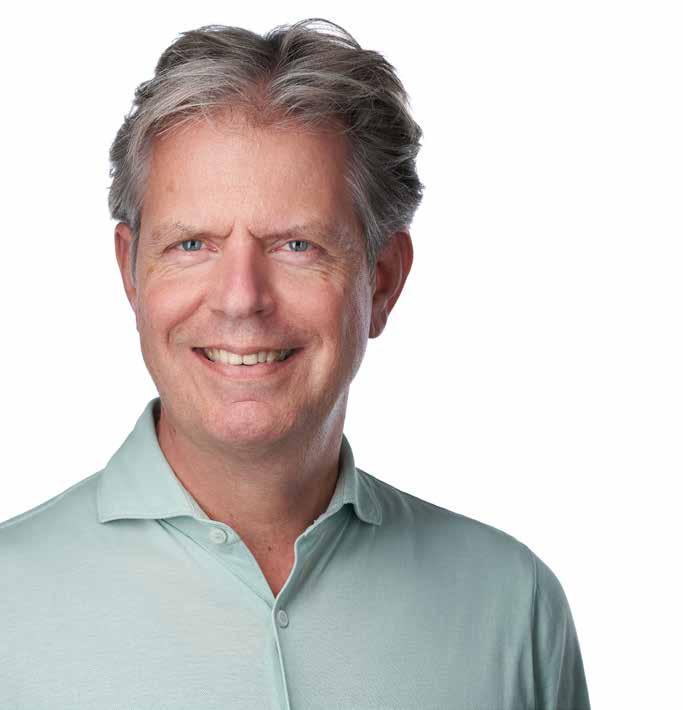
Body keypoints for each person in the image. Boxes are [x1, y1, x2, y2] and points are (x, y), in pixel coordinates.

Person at [0, 18, 591, 709]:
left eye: (296, 246)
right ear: (131, 272)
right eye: (192, 244)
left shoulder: (512, 607)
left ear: (382, 281)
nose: (240, 298)